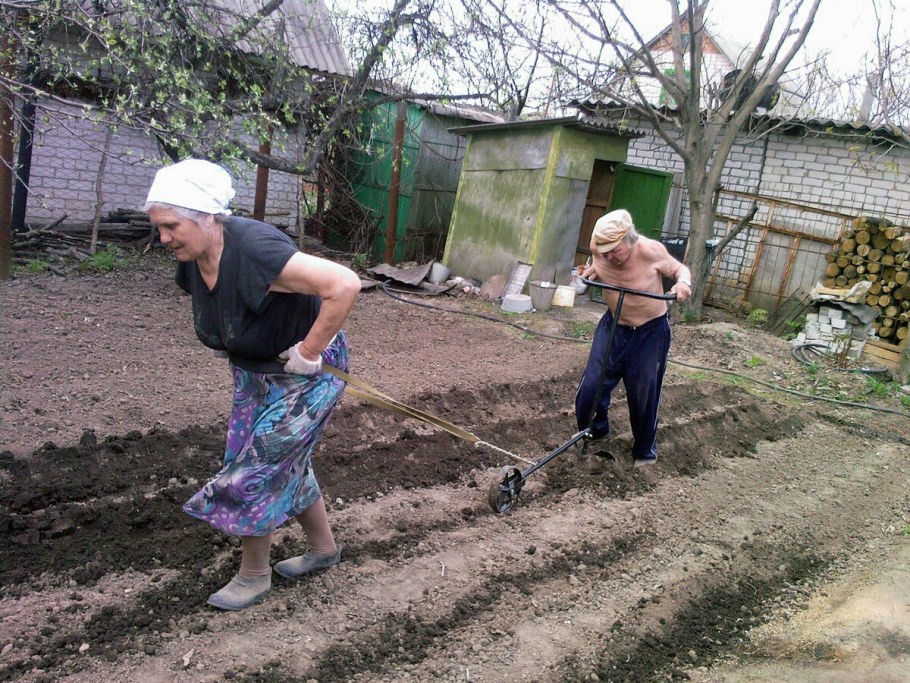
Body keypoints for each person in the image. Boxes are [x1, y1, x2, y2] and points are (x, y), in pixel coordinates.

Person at [143, 158, 362, 611]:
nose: (162, 237)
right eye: (158, 226)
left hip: (308, 375)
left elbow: (344, 284)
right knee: (280, 462)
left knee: (253, 470)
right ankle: (323, 550)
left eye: (170, 225)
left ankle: (255, 575)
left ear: (207, 215)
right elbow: (226, 308)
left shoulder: (257, 248)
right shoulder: (192, 257)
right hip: (254, 373)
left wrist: (309, 350)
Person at [575, 208, 692, 467]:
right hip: (614, 326)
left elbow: (679, 270)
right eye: (603, 251)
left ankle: (644, 452)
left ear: (630, 238)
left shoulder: (650, 251)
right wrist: (592, 270)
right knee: (590, 388)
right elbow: (598, 263)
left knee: (643, 394)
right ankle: (597, 430)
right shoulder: (600, 249)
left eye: (614, 250)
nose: (608, 256)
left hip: (650, 332)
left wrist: (683, 284)